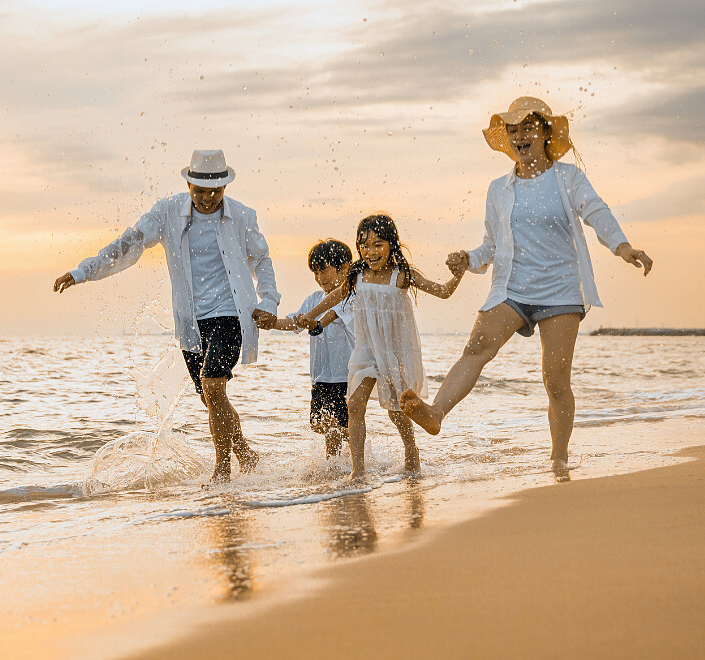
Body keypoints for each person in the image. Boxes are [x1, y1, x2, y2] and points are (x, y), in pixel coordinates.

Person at [399, 96, 654, 472]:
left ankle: (559, 458)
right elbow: (491, 244)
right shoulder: (498, 189)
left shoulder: (568, 178)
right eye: (513, 130)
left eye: (528, 128)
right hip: (512, 287)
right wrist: (469, 258)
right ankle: (435, 412)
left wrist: (622, 246)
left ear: (545, 132)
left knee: (555, 378)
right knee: (477, 348)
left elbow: (596, 211)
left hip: (561, 290)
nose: (520, 137)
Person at [53, 149, 280, 482]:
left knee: (213, 384)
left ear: (225, 186)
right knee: (211, 398)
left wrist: (269, 301)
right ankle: (244, 452)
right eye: (199, 190)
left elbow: (262, 261)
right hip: (191, 321)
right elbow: (127, 245)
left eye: (215, 191)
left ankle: (223, 470)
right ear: (188, 183)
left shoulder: (243, 216)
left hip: (231, 311)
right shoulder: (167, 212)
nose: (207, 198)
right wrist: (83, 271)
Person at [297, 214, 464, 479]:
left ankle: (411, 450)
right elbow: (334, 297)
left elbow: (442, 291)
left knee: (396, 411)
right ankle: (358, 470)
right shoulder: (357, 275)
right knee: (354, 405)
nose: (370, 252)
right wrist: (310, 316)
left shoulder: (401, 275)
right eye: (364, 245)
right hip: (366, 350)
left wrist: (458, 274)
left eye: (378, 245)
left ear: (392, 244)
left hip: (394, 352)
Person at [266, 239, 355, 458]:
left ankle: (345, 462)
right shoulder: (315, 298)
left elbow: (326, 318)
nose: (319, 278)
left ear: (344, 267)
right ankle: (342, 457)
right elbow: (295, 322)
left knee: (337, 423)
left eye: (324, 271)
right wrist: (271, 323)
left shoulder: (351, 297)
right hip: (321, 376)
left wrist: (312, 322)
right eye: (315, 273)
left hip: (344, 374)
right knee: (320, 425)